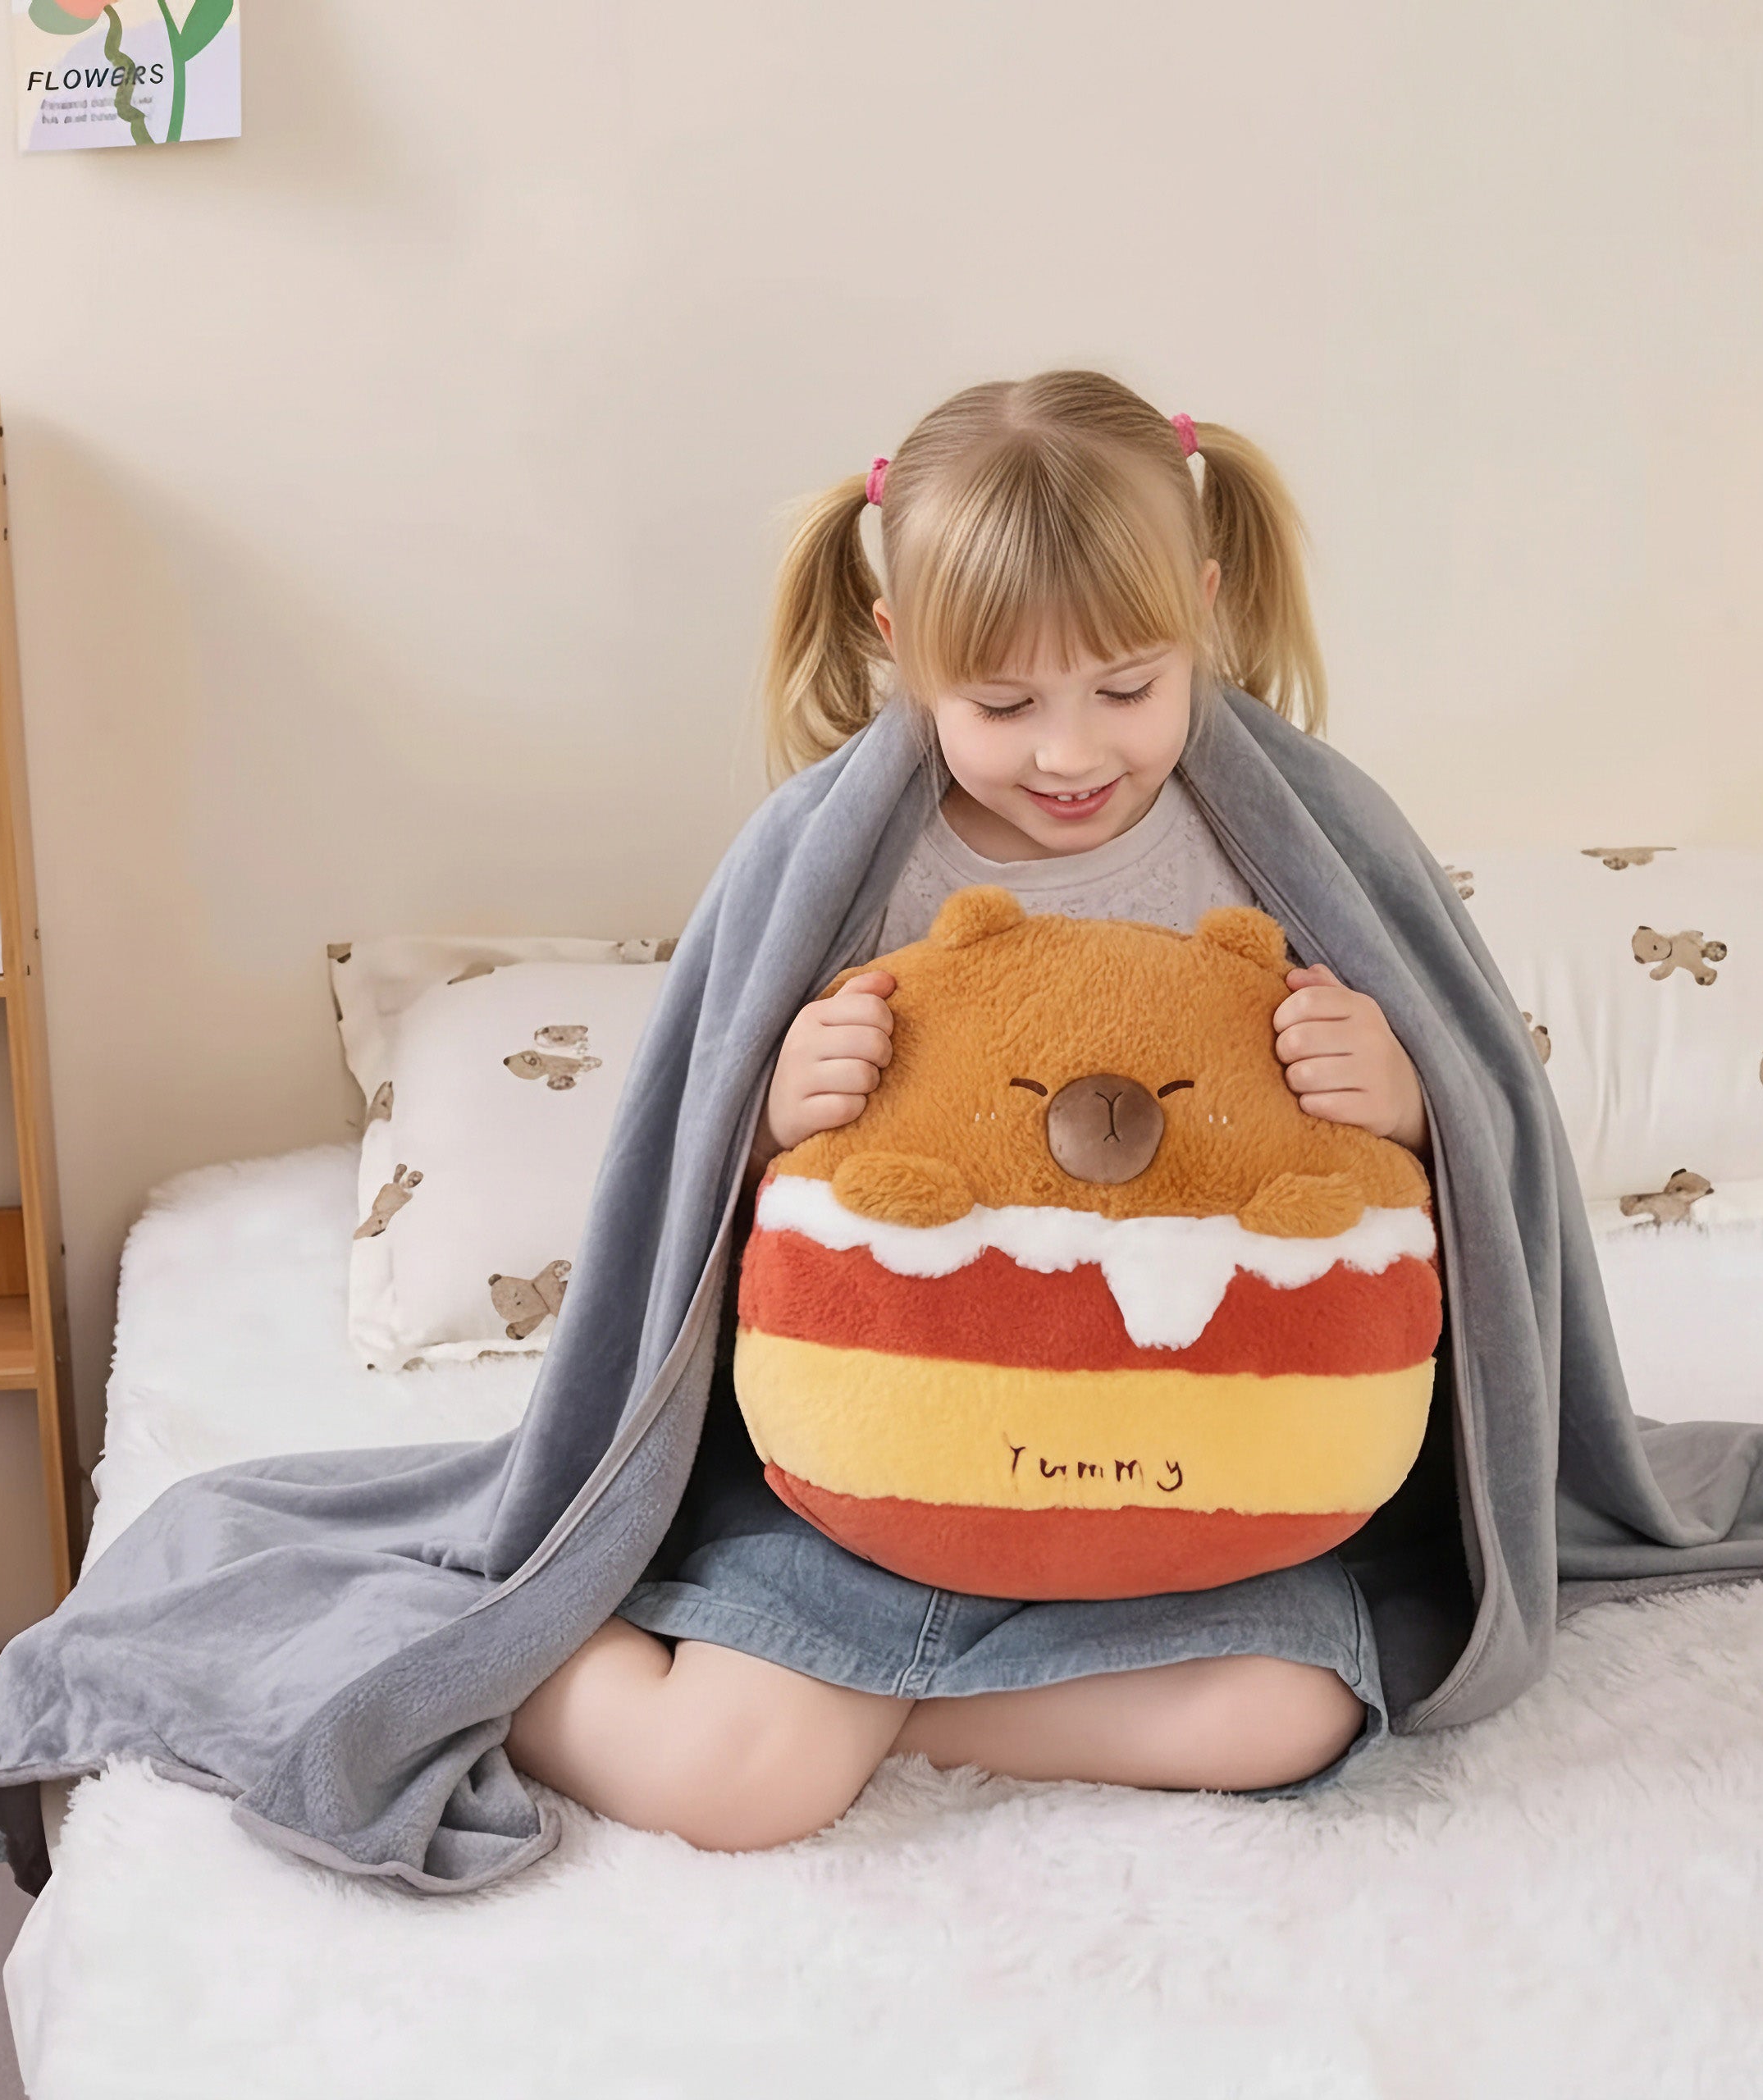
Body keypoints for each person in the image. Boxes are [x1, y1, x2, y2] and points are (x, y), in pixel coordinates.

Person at [508, 372, 1434, 1850]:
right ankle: (535, 1662)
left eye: (1127, 688)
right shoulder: (841, 865)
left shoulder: (1295, 846)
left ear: (1200, 610)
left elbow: (1467, 1156)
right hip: (871, 1472)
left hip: (1184, 1475)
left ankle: (891, 1706)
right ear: (902, 650)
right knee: (725, 1792)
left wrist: (1401, 1101)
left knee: (1293, 1713)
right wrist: (771, 1115)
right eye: (1002, 705)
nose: (1070, 754)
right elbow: (681, 1174)